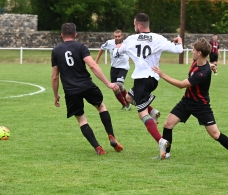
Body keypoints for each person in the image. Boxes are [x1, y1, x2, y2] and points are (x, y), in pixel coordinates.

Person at [152, 37, 228, 160]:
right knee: (168, 124)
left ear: (199, 53)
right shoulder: (198, 62)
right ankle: (165, 154)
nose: (191, 51)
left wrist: (162, 75)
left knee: (215, 134)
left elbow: (181, 85)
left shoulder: (202, 73)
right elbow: (206, 64)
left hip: (201, 105)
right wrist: (211, 65)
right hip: (186, 102)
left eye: (193, 50)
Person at [113, 13, 184, 159]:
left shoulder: (131, 39)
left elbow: (117, 52)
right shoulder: (158, 38)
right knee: (128, 97)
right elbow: (179, 50)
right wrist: (179, 41)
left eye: (134, 25)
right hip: (153, 79)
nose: (134, 28)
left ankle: (161, 142)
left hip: (141, 80)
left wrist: (118, 47)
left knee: (141, 113)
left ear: (138, 26)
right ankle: (153, 112)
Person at [51, 23, 123, 155]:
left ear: (62, 35)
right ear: (75, 34)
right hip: (87, 85)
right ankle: (111, 135)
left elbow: (55, 77)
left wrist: (56, 95)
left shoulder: (56, 51)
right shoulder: (80, 47)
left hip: (71, 91)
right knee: (101, 106)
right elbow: (92, 65)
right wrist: (108, 83)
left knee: (81, 119)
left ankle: (98, 147)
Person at [95, 30, 131, 111]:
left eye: (119, 36)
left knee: (119, 84)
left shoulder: (127, 43)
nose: (117, 38)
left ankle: (128, 102)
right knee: (115, 88)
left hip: (123, 67)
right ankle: (124, 104)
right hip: (114, 68)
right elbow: (102, 48)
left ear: (122, 36)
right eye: (115, 36)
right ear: (113, 36)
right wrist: (96, 60)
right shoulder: (109, 43)